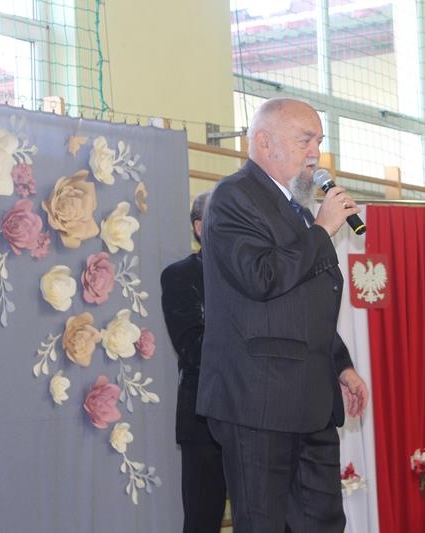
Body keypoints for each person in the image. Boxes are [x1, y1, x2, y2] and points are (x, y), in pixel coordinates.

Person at [197, 97, 369, 533]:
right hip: (259, 401)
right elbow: (262, 277)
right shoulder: (234, 197)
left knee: (324, 524)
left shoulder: (297, 209)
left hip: (311, 400)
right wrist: (323, 229)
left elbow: (306, 303)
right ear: (263, 142)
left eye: (319, 142)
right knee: (264, 524)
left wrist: (340, 364)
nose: (315, 153)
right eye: (304, 140)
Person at [160, 190, 227, 533]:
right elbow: (191, 347)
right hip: (203, 420)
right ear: (200, 227)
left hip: (254, 420)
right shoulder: (179, 276)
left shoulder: (252, 274)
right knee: (203, 522)